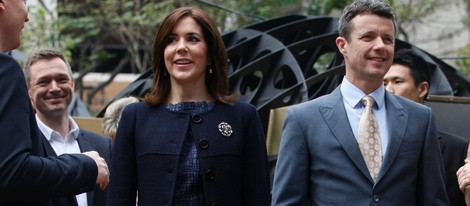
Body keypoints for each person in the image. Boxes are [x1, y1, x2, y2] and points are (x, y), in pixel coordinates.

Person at [271, 0, 448, 205]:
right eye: (368, 37)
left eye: (388, 39)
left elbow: (433, 199)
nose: (380, 46)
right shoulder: (303, 120)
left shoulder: (420, 118)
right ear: (342, 45)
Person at [106, 6, 270, 206]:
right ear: (162, 54)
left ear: (210, 54)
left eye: (193, 39)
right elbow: (119, 199)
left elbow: (258, 198)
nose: (181, 47)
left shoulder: (243, 117)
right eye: (171, 40)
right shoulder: (135, 117)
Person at [0, 1, 109, 205]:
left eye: (61, 79)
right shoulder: (5, 70)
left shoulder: (105, 145)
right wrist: (86, 166)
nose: (27, 15)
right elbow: (12, 171)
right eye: (23, 1)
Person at [23, 47, 113, 206]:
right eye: (44, 82)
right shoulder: (24, 151)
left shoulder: (104, 146)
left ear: (72, 84)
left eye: (61, 79)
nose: (55, 88)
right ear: (29, 92)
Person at [384, 48, 468, 206]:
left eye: (397, 81)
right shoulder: (370, 141)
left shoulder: (456, 149)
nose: (388, 90)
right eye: (383, 83)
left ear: (422, 89)